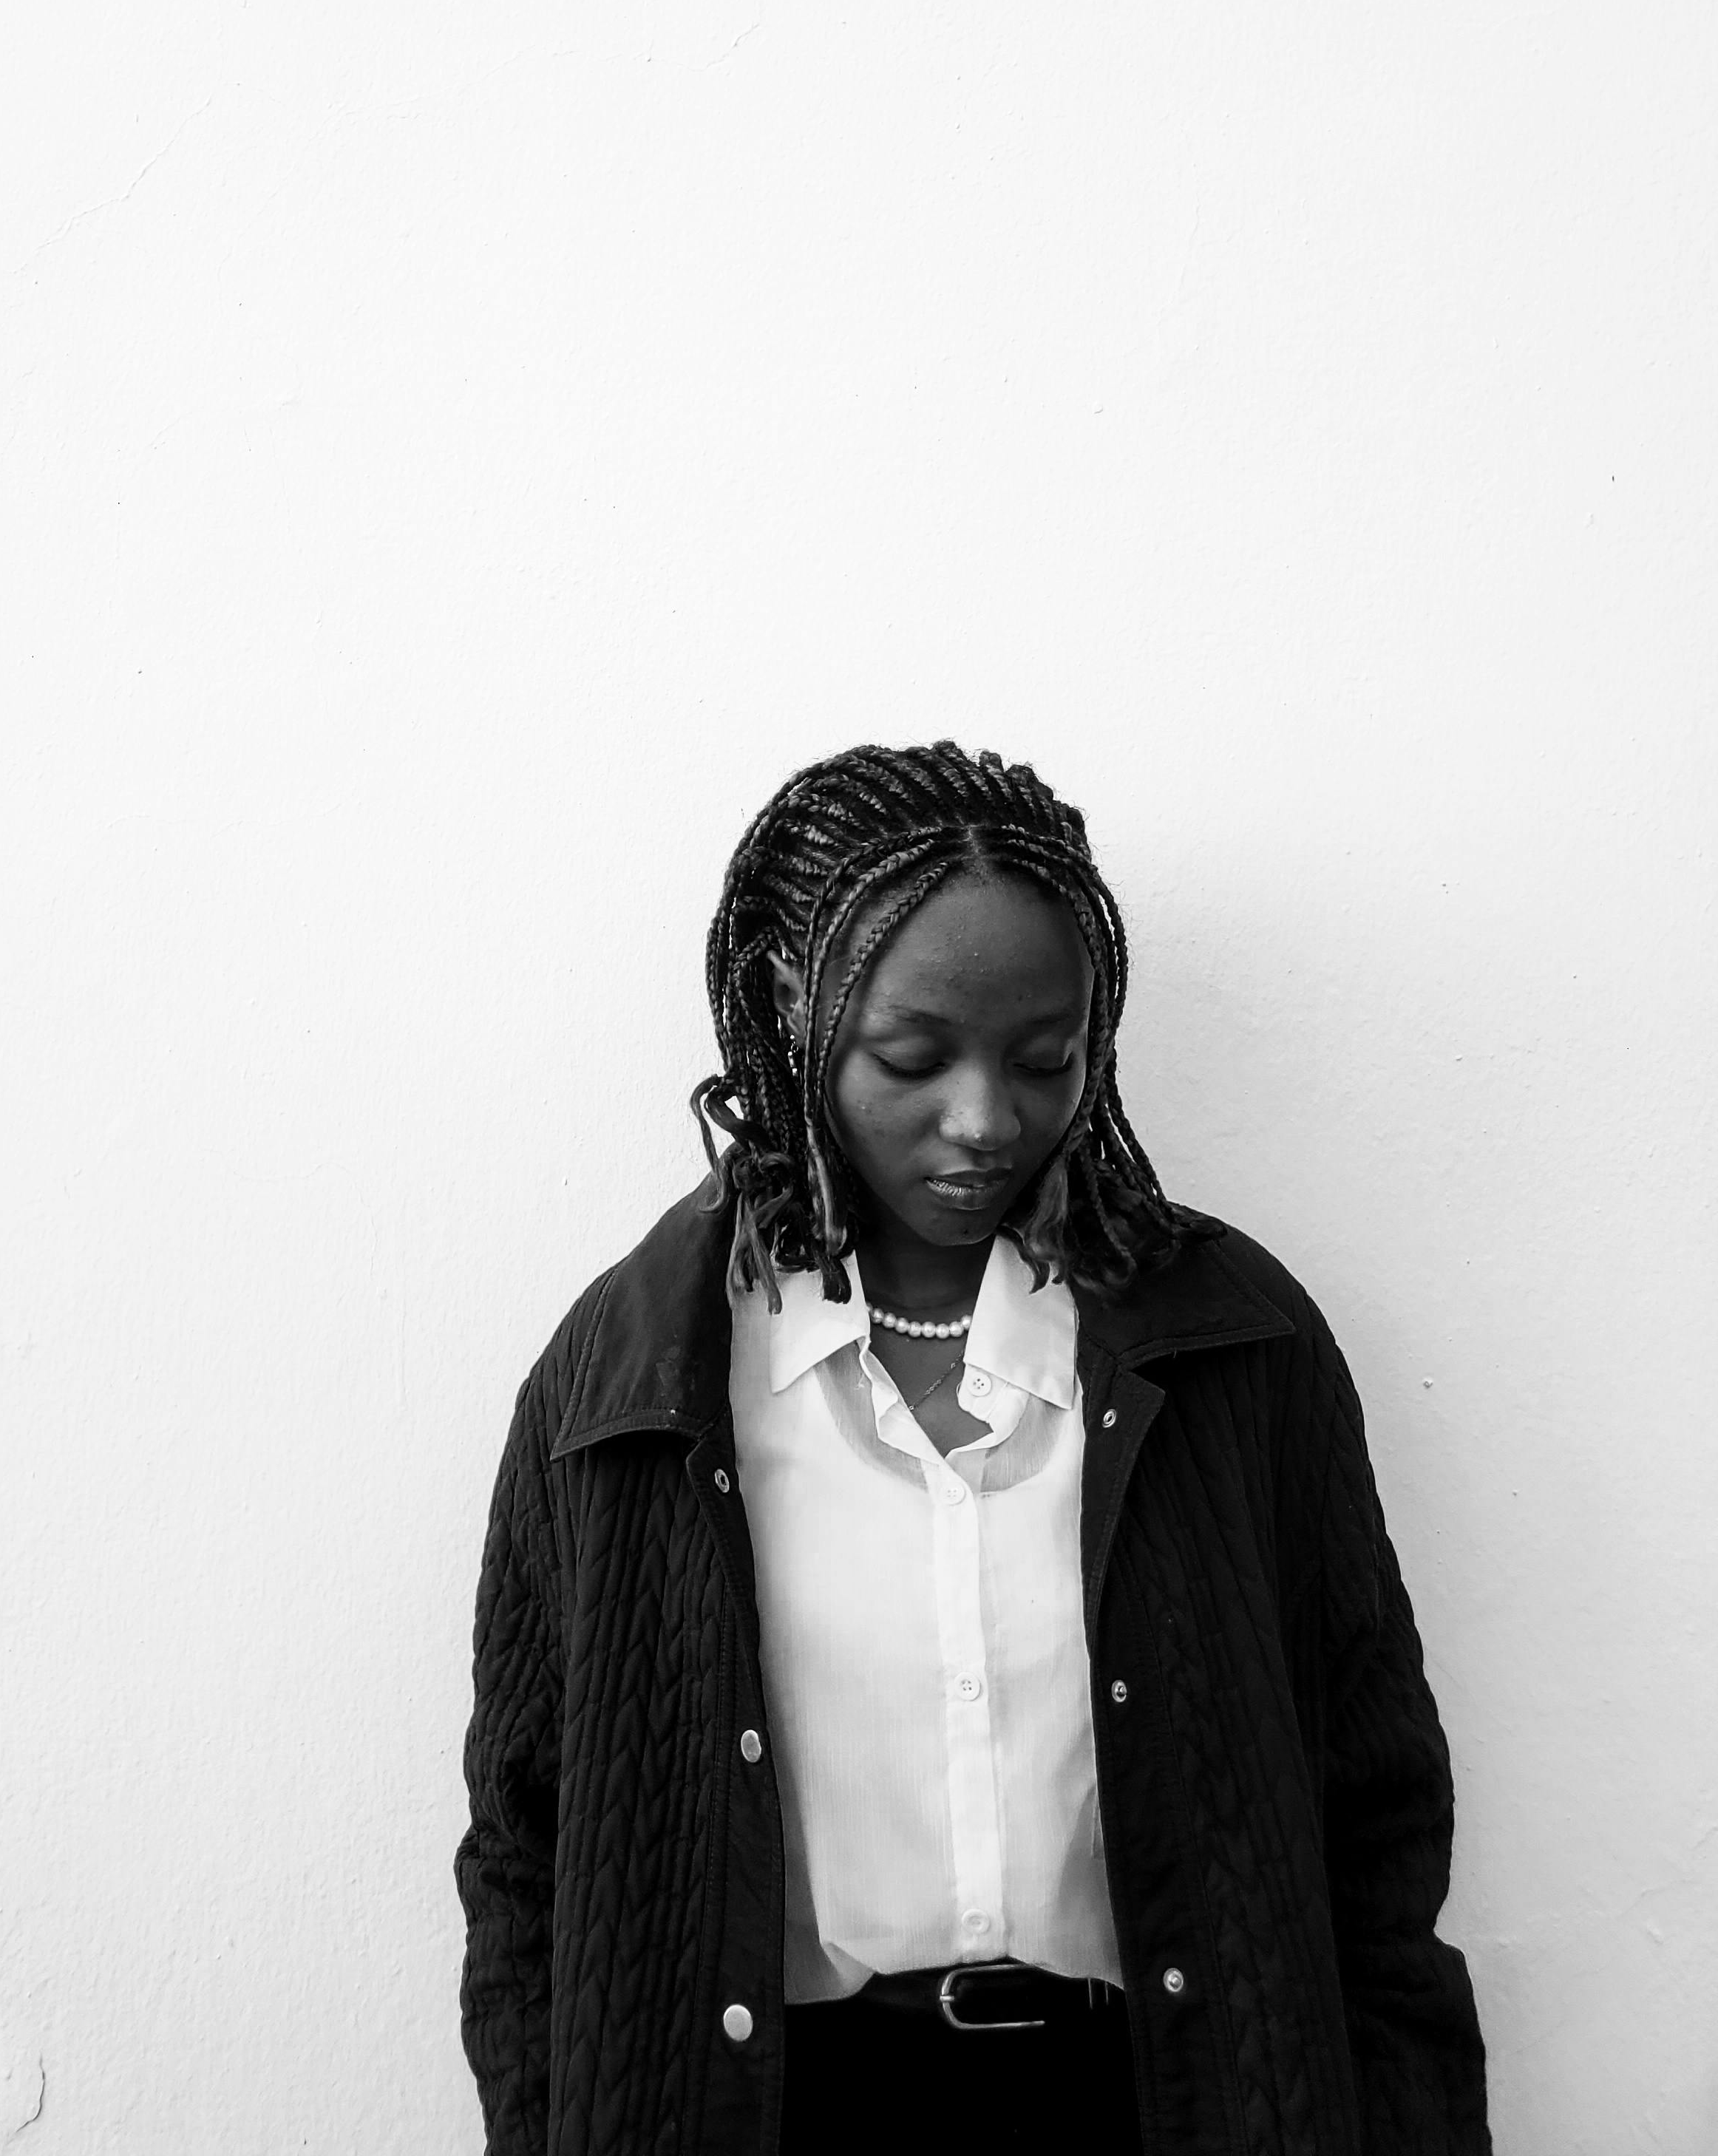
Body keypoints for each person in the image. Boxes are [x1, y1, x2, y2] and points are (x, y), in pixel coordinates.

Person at [456, 741, 1489, 2156]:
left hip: (1167, 2101)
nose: (986, 1117)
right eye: (914, 1056)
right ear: (786, 1006)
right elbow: (528, 1860)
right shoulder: (629, 1386)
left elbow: (1375, 1828)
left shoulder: (1237, 1348)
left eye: (1045, 1057)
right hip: (773, 2113)